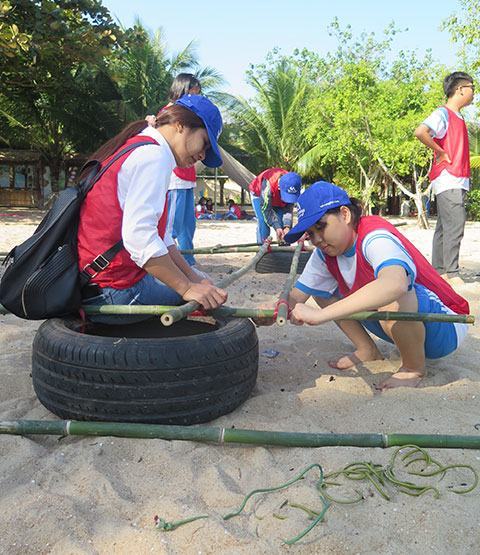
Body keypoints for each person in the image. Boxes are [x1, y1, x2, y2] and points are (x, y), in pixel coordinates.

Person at [282, 181, 469, 390]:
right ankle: (367, 350)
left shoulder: (374, 235)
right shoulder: (325, 254)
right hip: (404, 324)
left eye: (321, 227)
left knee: (393, 295)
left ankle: (413, 368)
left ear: (345, 215)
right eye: (310, 234)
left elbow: (395, 284)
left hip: (445, 326)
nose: (316, 239)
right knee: (321, 292)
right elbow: (296, 297)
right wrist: (270, 312)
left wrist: (319, 316)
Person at [77, 94, 227, 324]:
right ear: (180, 125)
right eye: (204, 143)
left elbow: (161, 236)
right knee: (198, 301)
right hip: (112, 292)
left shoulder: (142, 145)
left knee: (200, 290)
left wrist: (193, 277)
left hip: (97, 281)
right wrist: (187, 289)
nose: (202, 156)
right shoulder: (153, 157)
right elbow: (140, 238)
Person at [414, 71, 475, 287]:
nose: (473, 92)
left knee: (444, 226)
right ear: (460, 89)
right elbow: (421, 131)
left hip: (454, 179)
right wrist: (440, 152)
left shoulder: (457, 117)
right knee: (455, 225)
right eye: (472, 88)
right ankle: (452, 271)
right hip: (450, 177)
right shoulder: (443, 113)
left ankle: (439, 272)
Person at [162, 74, 203, 266]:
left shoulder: (192, 114)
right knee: (173, 223)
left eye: (197, 93)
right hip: (174, 177)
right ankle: (169, 259)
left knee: (188, 222)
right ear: (182, 90)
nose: (195, 96)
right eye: (192, 92)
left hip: (188, 176)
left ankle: (188, 258)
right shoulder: (169, 113)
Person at [248, 168, 302, 244]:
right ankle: (262, 245)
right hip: (259, 194)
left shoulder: (292, 183)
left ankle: (284, 246)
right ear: (279, 187)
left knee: (283, 226)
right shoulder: (268, 185)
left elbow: (288, 209)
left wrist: (287, 226)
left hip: (276, 197)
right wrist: (277, 227)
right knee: (264, 223)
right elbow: (266, 209)